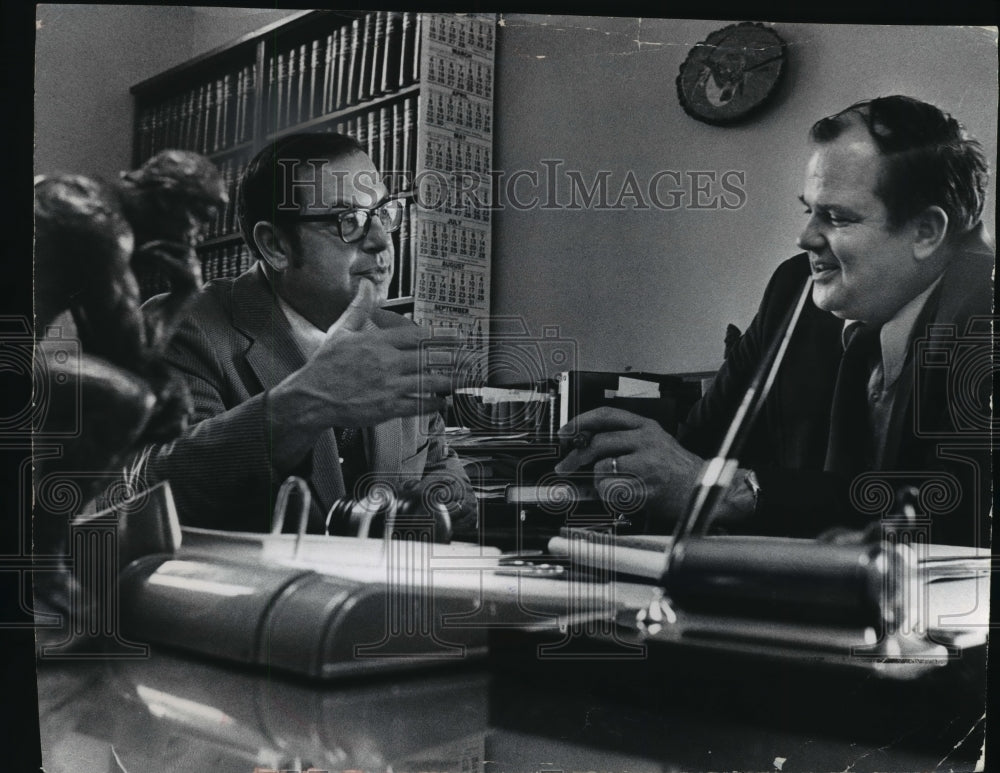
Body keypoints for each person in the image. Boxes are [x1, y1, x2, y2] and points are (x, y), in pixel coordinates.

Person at [557, 96, 993, 547]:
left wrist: (741, 493)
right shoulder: (795, 289)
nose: (804, 238)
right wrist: (640, 459)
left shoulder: (988, 314)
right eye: (810, 210)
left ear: (926, 232)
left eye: (837, 217)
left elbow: (961, 513)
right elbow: (700, 453)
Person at [137, 132, 475, 534]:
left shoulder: (397, 335)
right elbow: (151, 493)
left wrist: (423, 507)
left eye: (383, 212)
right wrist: (306, 403)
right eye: (348, 221)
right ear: (275, 245)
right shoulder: (183, 327)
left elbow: (444, 472)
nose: (382, 241)